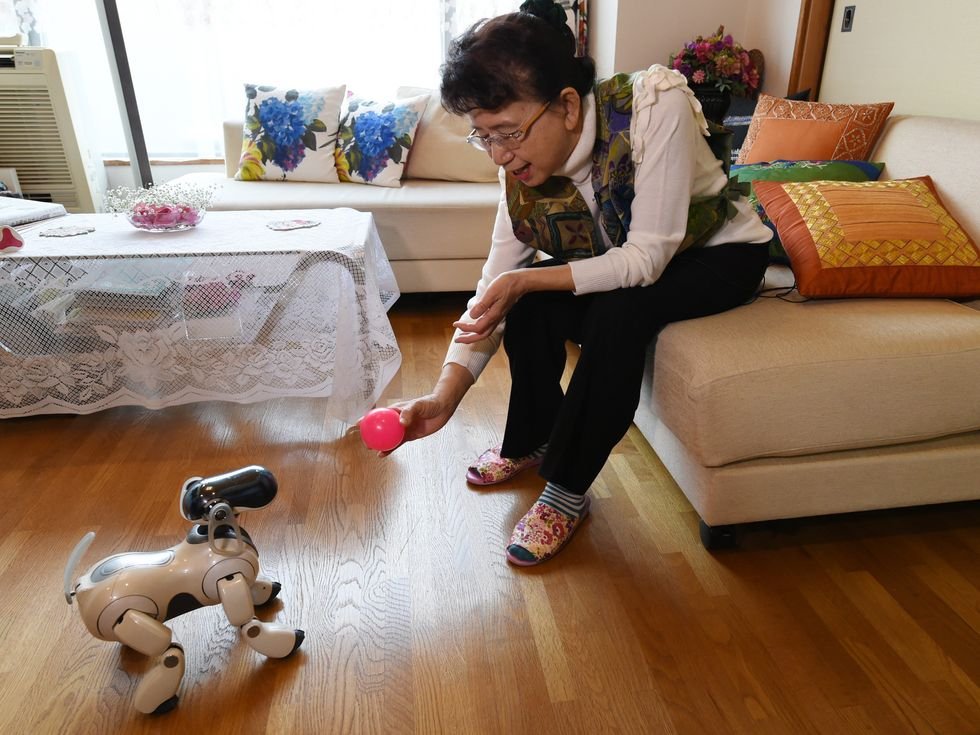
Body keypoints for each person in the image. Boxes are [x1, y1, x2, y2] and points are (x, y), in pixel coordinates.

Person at [389, 0, 772, 566]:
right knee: (528, 299)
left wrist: (527, 282)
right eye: (483, 137)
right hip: (630, 261)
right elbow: (494, 283)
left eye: (507, 132)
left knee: (618, 311)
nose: (499, 154)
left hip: (720, 255)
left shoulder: (653, 104)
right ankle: (531, 439)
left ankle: (566, 491)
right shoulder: (517, 166)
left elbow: (645, 259)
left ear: (567, 105)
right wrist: (446, 395)